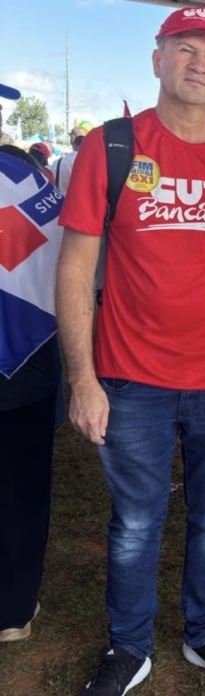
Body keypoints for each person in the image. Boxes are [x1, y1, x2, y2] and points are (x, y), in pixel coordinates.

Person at [55, 8, 205, 696]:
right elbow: (75, 268)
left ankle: (204, 631)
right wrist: (83, 378)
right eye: (184, 49)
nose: (198, 63)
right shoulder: (113, 145)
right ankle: (128, 647)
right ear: (157, 60)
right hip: (130, 378)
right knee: (135, 521)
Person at [0, 103, 63, 645]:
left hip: (23, 365)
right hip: (23, 368)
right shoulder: (25, 178)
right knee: (20, 491)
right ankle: (13, 608)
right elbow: (65, 257)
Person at [52, 125, 89, 194]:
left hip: (60, 202)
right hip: (81, 203)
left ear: (72, 137)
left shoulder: (56, 163)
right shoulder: (91, 163)